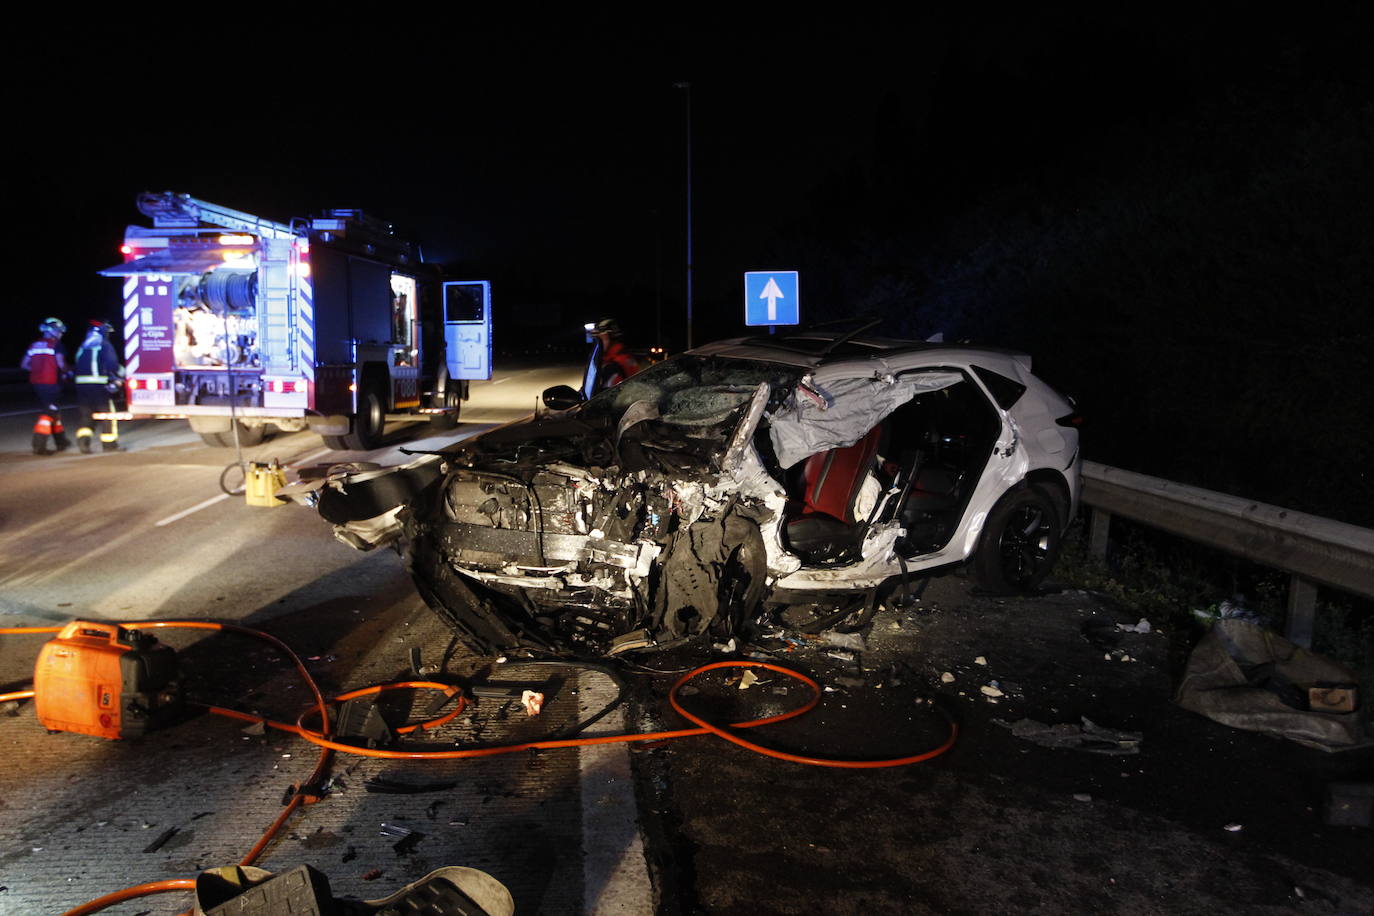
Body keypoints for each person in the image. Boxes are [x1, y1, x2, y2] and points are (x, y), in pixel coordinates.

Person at [20, 317, 71, 455]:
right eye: (59, 331)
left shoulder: (34, 345)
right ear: (52, 331)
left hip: (37, 384)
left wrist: (38, 370)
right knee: (48, 413)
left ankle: (61, 442)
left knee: (53, 411)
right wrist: (69, 372)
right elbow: (61, 364)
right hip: (51, 384)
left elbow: (24, 365)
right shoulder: (56, 345)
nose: (61, 334)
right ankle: (39, 445)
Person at [73, 320, 125, 452]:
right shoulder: (104, 344)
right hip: (99, 386)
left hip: (81, 387)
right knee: (107, 415)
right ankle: (109, 445)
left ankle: (83, 443)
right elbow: (112, 365)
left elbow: (77, 363)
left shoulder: (83, 346)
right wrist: (121, 374)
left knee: (86, 415)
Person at [590, 318, 641, 391]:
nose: (598, 343)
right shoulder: (621, 354)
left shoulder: (614, 365)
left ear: (611, 337)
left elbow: (605, 396)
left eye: (601, 338)